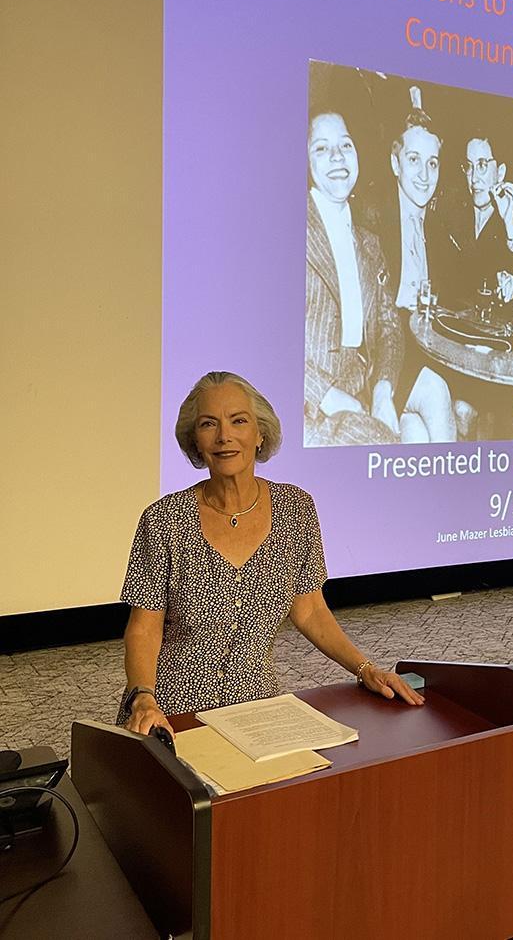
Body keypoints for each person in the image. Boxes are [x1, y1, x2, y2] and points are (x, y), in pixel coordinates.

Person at [119, 371, 423, 735]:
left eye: (238, 421)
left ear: (260, 433)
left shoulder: (296, 509)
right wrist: (143, 698)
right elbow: (144, 627)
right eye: (208, 424)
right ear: (195, 441)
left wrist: (365, 668)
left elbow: (309, 609)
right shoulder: (164, 519)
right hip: (169, 713)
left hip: (256, 710)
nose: (224, 436)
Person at [304, 111, 404, 446]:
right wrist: (327, 397)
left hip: (359, 392)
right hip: (305, 406)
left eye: (345, 144)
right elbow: (265, 338)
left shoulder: (370, 243)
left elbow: (391, 328)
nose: (337, 156)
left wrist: (383, 390)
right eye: (321, 148)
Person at [373, 107, 456, 442]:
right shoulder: (374, 217)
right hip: (384, 347)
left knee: (417, 436)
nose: (424, 173)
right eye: (413, 159)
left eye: (432, 162)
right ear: (395, 164)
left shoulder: (436, 228)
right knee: (437, 392)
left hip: (421, 346)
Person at [449, 135, 513, 310]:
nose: (474, 178)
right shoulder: (451, 210)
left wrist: (509, 224)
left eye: (482, 165)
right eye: (469, 166)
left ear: (500, 173)